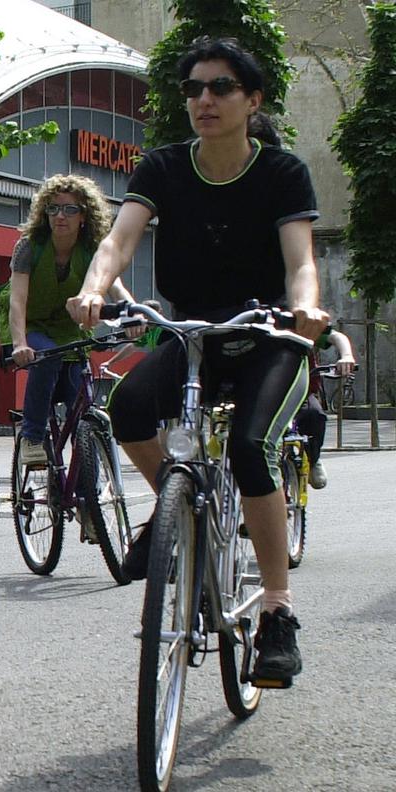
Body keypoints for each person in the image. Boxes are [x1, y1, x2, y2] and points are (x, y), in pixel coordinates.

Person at [69, 37, 330, 686]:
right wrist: (97, 287)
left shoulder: (282, 173)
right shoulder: (161, 169)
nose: (204, 100)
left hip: (272, 337)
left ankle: (276, 613)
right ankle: (177, 506)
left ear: (252, 100)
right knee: (127, 408)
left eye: (219, 88)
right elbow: (120, 239)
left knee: (250, 449)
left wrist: (306, 309)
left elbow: (301, 262)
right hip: (195, 337)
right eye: (193, 89)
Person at [8, 174, 134, 466]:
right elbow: (17, 300)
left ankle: (83, 486)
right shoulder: (29, 246)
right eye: (53, 209)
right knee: (46, 359)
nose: (60, 216)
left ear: (84, 215)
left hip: (69, 333)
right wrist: (19, 344)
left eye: (69, 209)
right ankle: (32, 438)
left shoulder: (93, 247)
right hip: (29, 327)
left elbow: (114, 285)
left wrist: (132, 312)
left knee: (82, 393)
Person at [293, 328, 355, 489]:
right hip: (261, 392)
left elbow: (335, 336)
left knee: (314, 415)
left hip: (299, 393)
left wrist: (346, 356)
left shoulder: (300, 321)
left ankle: (313, 459)